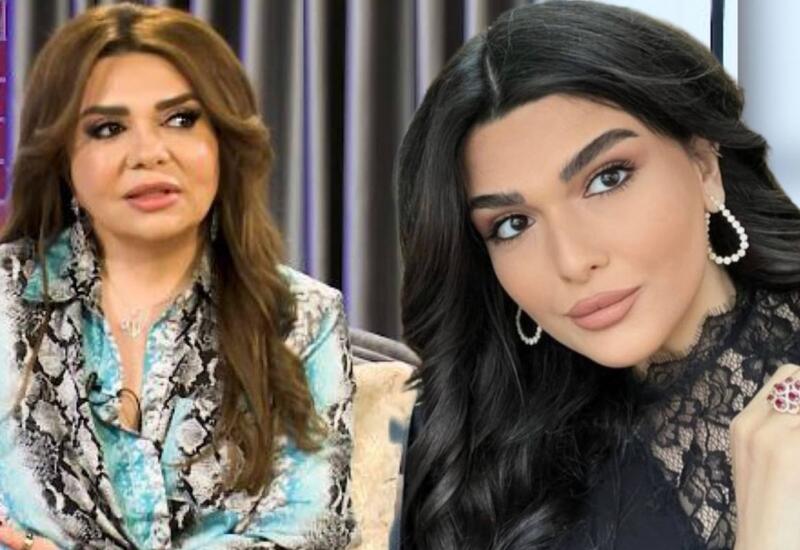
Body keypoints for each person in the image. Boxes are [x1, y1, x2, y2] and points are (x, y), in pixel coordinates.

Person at [396, 2, 800, 549]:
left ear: (704, 166)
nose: (571, 260)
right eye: (513, 224)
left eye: (607, 179)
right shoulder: (478, 475)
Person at [0, 3, 354, 549]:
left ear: (224, 142)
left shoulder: (302, 316)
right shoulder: (6, 299)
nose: (149, 153)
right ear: (62, 157)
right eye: (108, 128)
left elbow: (311, 532)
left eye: (182, 119)